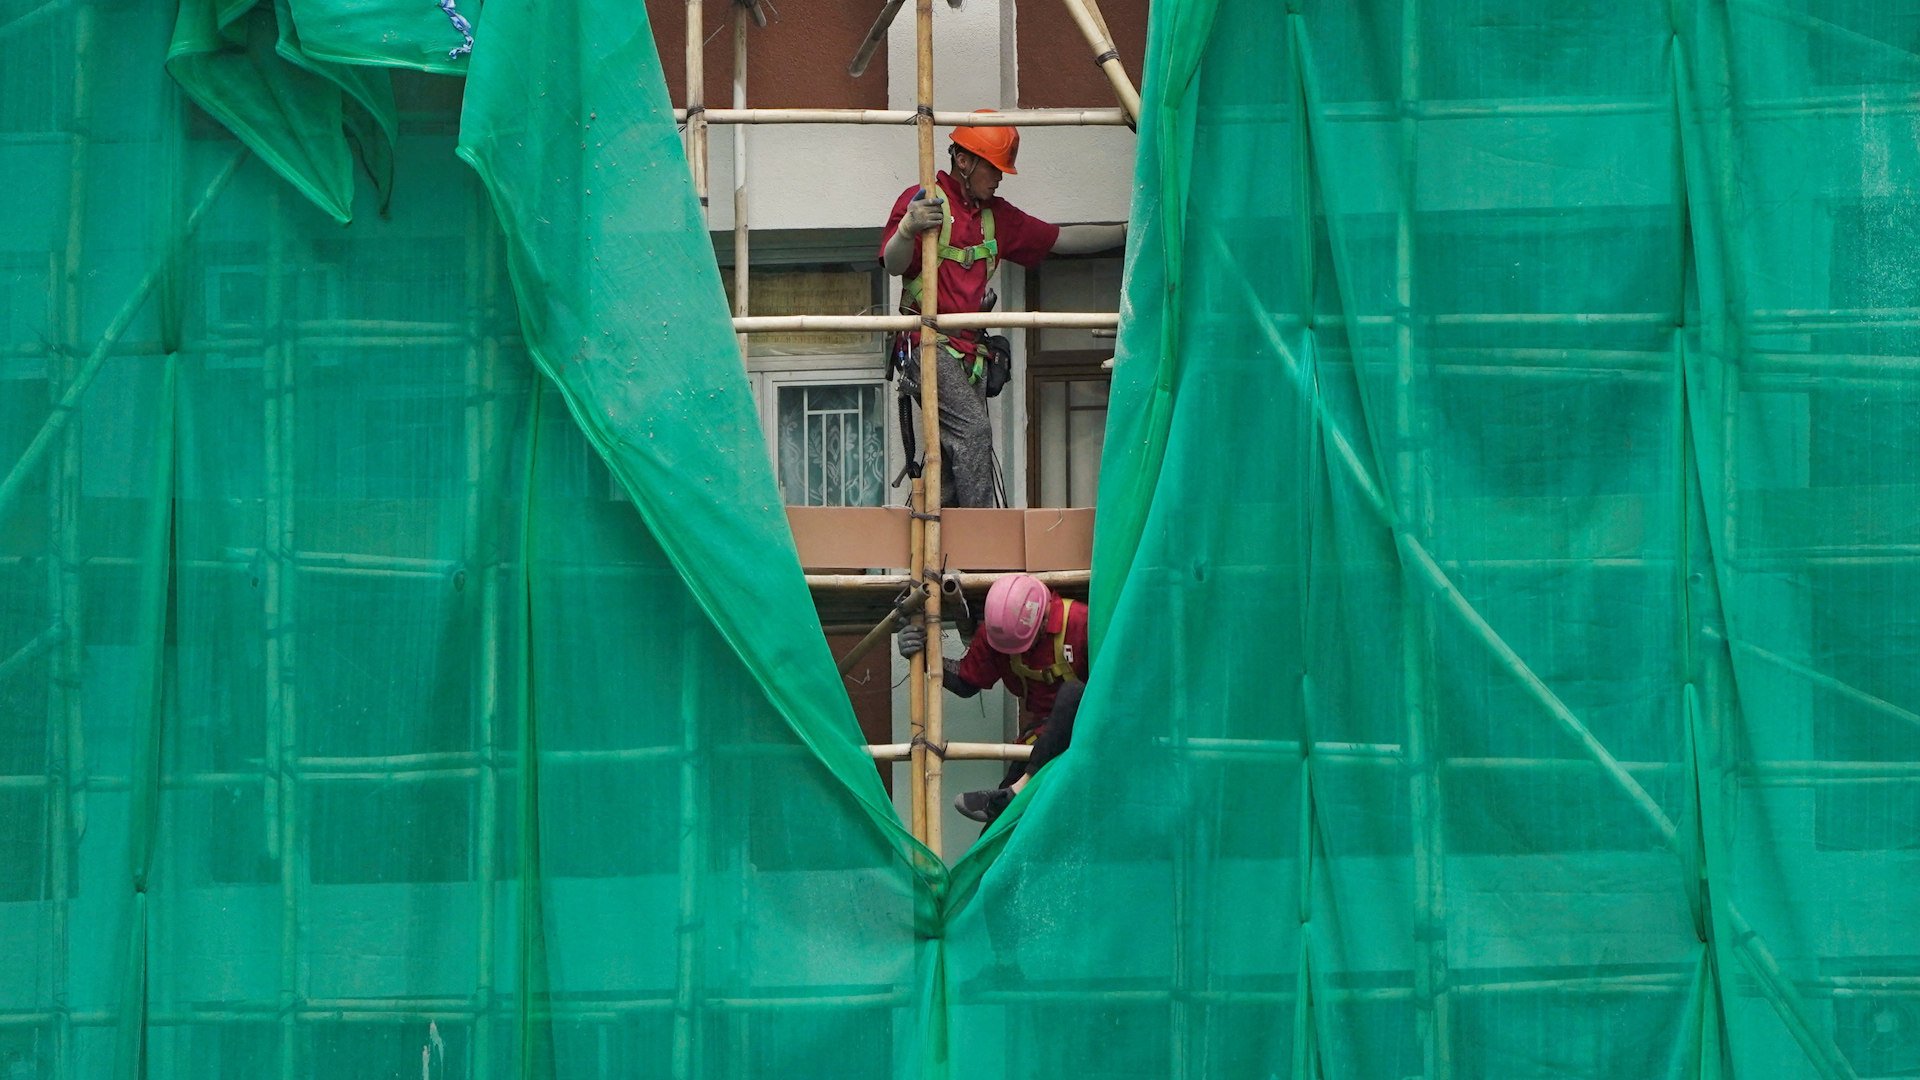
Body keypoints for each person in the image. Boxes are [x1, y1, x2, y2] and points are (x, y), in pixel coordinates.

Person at [879, 116, 1126, 507]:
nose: (1000, 178)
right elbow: (893, 264)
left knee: (950, 454)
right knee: (974, 434)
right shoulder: (926, 202)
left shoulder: (996, 217)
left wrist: (1128, 232)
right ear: (964, 161)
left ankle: (937, 555)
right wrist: (907, 230)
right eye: (995, 168)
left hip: (970, 353)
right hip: (926, 343)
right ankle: (981, 538)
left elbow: (1061, 240)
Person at [896, 573, 1089, 823]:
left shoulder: (1082, 622)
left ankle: (1019, 790)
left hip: (1088, 729)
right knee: (997, 829)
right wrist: (921, 658)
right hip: (1040, 741)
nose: (1024, 654)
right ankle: (1010, 797)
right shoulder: (996, 634)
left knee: (1074, 692)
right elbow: (967, 682)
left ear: (1043, 616)